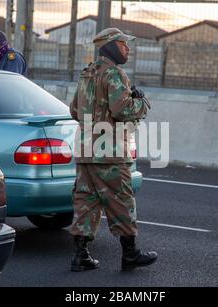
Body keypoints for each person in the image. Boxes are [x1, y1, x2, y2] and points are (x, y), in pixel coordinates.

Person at [69, 28, 156, 272]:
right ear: (110, 45)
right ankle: (130, 255)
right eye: (123, 44)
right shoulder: (115, 73)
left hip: (87, 150)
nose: (128, 48)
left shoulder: (87, 73)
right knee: (122, 200)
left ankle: (80, 256)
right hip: (109, 152)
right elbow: (123, 110)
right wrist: (141, 101)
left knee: (86, 200)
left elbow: (74, 111)